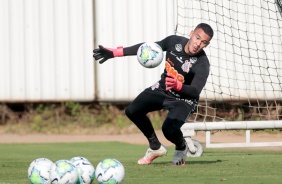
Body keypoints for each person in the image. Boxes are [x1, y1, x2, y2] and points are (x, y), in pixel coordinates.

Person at [93, 23, 214, 166]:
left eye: (203, 42)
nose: (198, 44)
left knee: (168, 130)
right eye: (197, 38)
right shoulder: (173, 42)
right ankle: (155, 147)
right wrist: (115, 52)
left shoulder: (202, 63)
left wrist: (179, 85)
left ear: (206, 44)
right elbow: (148, 48)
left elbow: (195, 91)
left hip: (184, 99)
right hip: (162, 89)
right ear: (191, 33)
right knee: (132, 111)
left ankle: (181, 147)